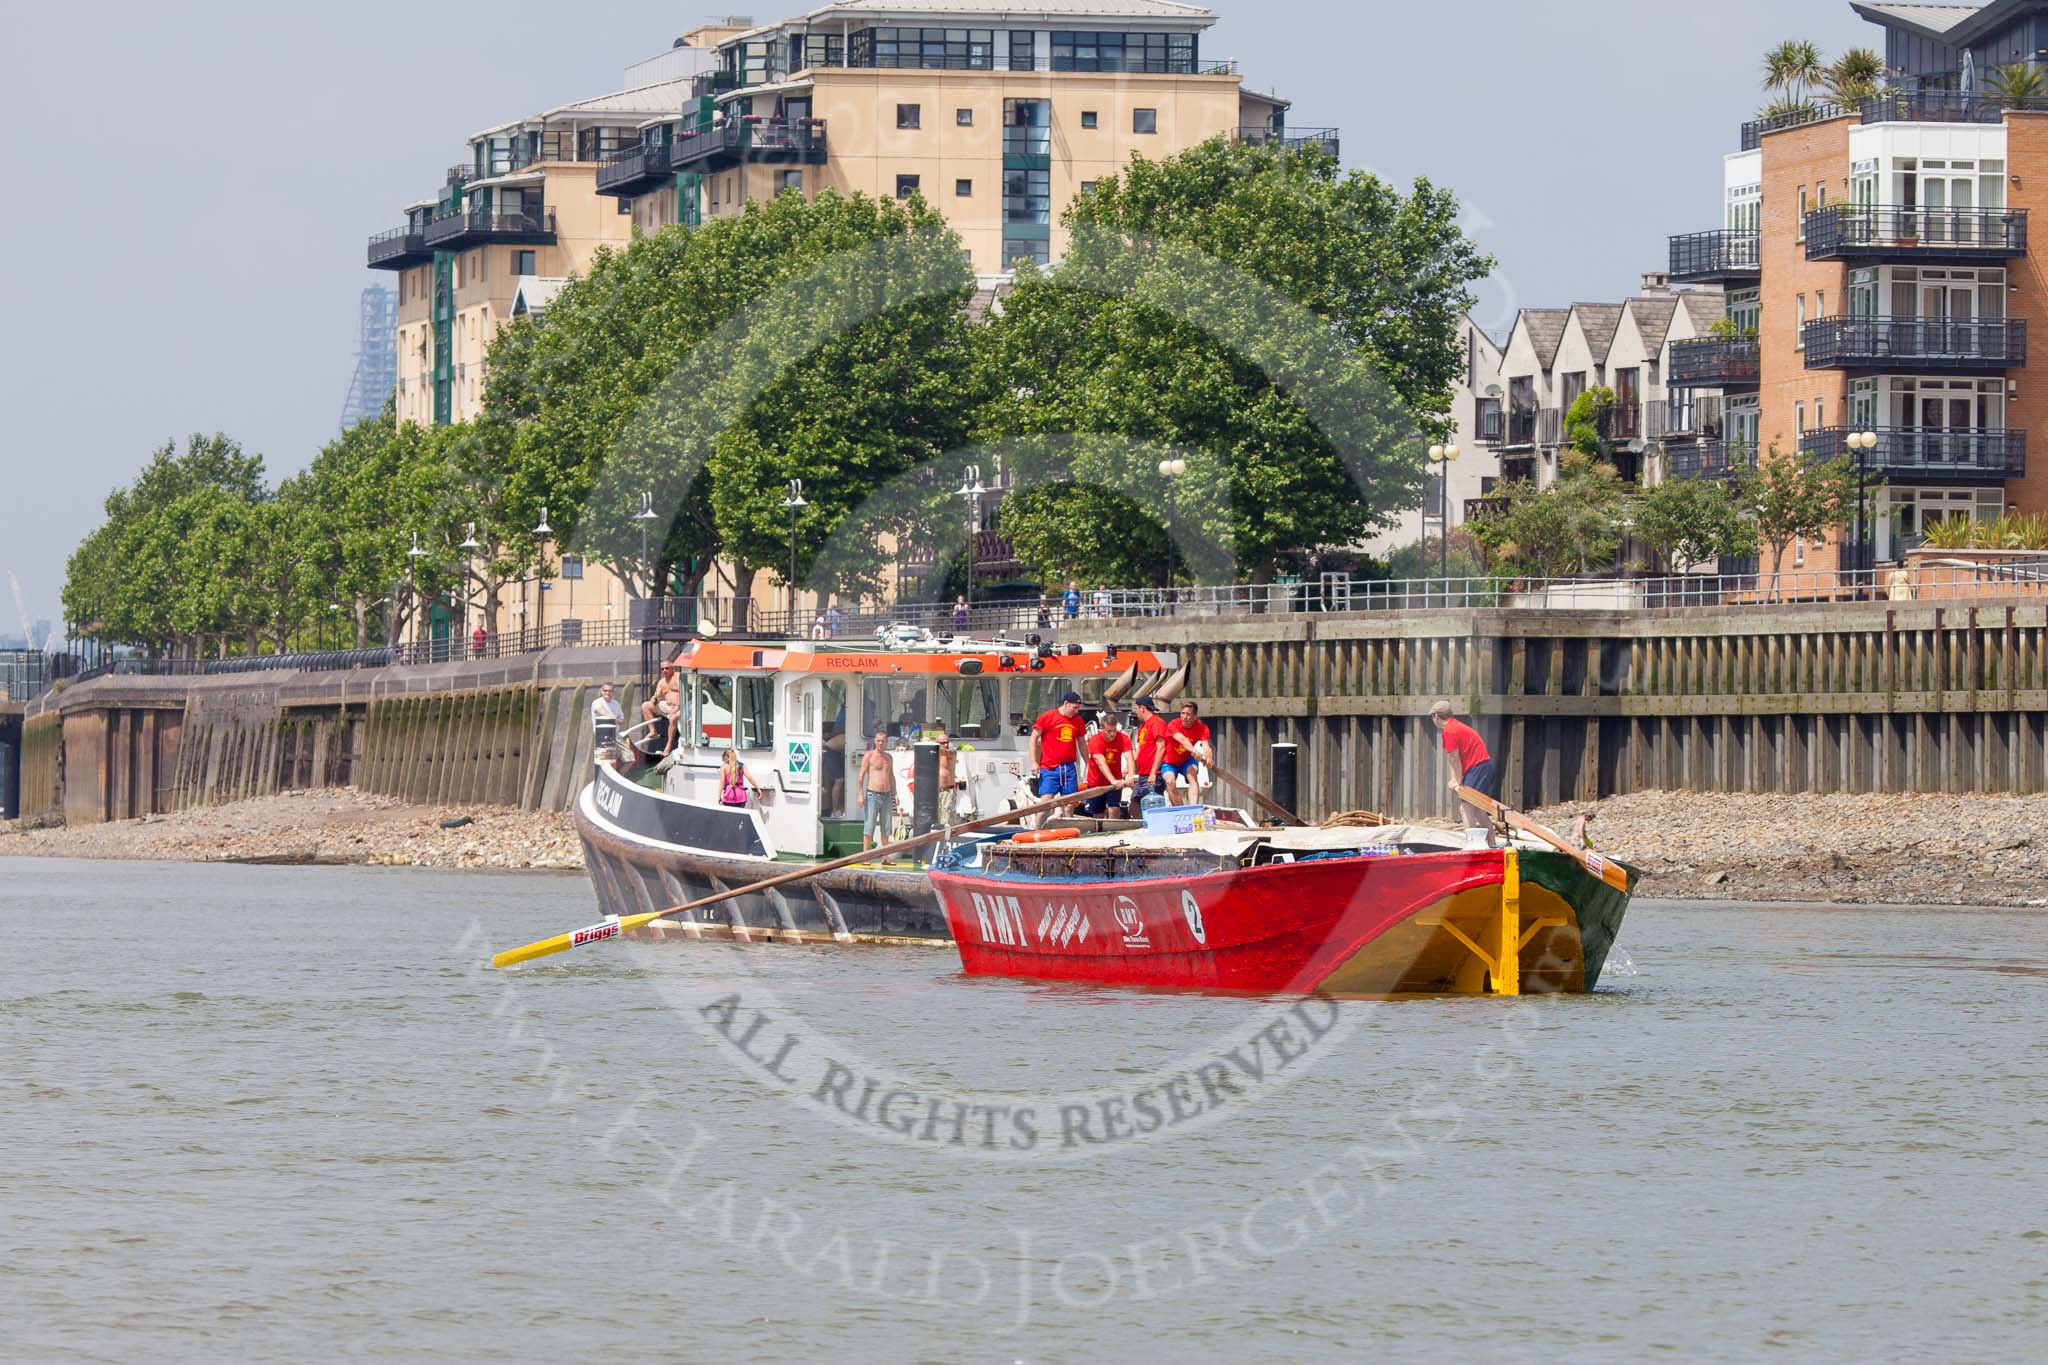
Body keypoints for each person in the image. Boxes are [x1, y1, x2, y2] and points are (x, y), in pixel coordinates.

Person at [1430, 699, 1498, 848]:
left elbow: (1454, 758)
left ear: (1436, 716)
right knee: (1478, 810)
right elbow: (1453, 758)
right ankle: (1491, 844)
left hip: (1478, 768)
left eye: (1432, 717)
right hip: (1482, 767)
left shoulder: (1450, 731)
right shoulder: (1454, 727)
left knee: (1465, 808)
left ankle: (1472, 845)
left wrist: (1456, 780)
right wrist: (1456, 779)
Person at [1028, 691, 1086, 826]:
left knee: (1069, 804)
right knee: (1046, 803)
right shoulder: (1048, 717)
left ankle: (1068, 832)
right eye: (1074, 708)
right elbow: (1033, 738)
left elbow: (1082, 743)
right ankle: (1035, 831)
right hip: (1049, 767)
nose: (1076, 711)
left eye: (1078, 708)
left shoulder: (1078, 720)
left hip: (1069, 767)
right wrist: (1034, 762)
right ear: (1065, 704)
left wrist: (1089, 762)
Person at [1082, 709, 1135, 818]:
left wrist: (1130, 775)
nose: (1112, 734)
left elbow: (1129, 757)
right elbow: (1100, 762)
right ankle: (1100, 832)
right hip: (1096, 782)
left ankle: (1113, 830)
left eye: (1114, 730)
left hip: (1115, 780)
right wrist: (1112, 780)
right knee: (1098, 813)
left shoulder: (1123, 738)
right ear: (1102, 729)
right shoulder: (1095, 740)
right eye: (1109, 731)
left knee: (1114, 809)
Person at [1161, 700, 1214, 806]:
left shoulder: (1202, 727)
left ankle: (1193, 808)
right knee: (1170, 782)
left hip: (1187, 760)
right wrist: (1194, 751)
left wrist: (1209, 759)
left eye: (1188, 714)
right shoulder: (1173, 724)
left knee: (1192, 775)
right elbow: (1182, 740)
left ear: (1195, 717)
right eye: (1182, 713)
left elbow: (1206, 746)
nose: (1184, 717)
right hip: (1169, 761)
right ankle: (1179, 809)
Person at [858, 728, 897, 853]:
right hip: (872, 794)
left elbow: (891, 776)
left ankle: (885, 856)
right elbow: (861, 776)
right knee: (869, 826)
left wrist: (895, 794)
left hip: (887, 794)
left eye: (883, 741)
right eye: (878, 741)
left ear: (886, 742)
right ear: (875, 741)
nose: (880, 743)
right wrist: (860, 794)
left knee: (886, 827)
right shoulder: (869, 756)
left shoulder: (889, 757)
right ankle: (865, 855)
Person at [1131, 697, 1171, 802]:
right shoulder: (1143, 726)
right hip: (1142, 774)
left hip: (1153, 774)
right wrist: (1127, 770)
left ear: (1142, 708)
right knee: (1134, 804)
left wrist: (1153, 773)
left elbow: (1161, 748)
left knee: (1150, 804)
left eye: (1136, 709)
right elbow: (1139, 749)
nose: (1135, 712)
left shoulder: (1156, 723)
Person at [642, 661, 682, 755]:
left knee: (673, 718)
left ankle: (668, 746)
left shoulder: (679, 677)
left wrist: (677, 708)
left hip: (682, 707)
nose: (665, 670)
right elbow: (656, 697)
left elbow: (687, 694)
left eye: (667, 668)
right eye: (662, 669)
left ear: (673, 668)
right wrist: (653, 701)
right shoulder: (662, 682)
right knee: (646, 706)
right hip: (668, 706)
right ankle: (653, 731)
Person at [933, 728, 960, 826]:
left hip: (947, 791)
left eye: (947, 742)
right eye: (942, 743)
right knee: (936, 819)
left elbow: (948, 752)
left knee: (947, 820)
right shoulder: (933, 754)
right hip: (935, 791)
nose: (945, 745)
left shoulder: (951, 753)